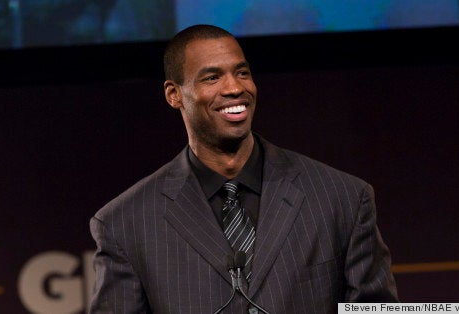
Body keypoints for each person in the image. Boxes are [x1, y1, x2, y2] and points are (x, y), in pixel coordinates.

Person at [89, 24, 398, 313]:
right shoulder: (125, 223)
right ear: (174, 94)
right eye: (212, 78)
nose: (234, 87)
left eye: (242, 72)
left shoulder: (341, 198)